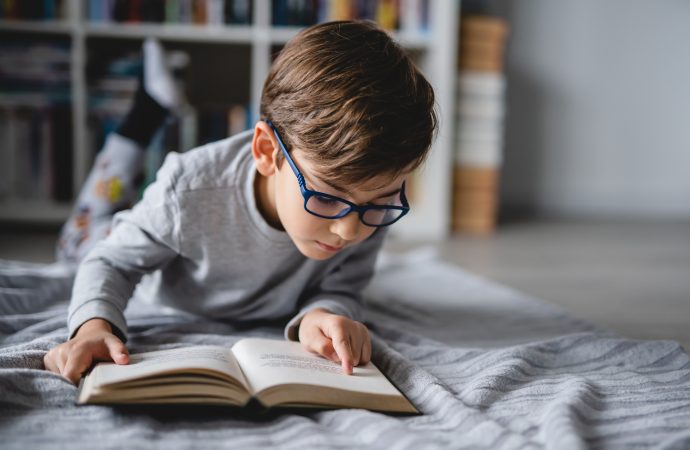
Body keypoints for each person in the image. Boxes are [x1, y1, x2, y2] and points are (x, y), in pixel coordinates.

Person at [43, 20, 437, 385]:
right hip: (122, 239)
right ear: (267, 151)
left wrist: (323, 314)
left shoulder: (366, 208)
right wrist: (94, 326)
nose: (350, 230)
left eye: (380, 203)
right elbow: (112, 261)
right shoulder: (189, 190)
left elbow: (343, 285)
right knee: (82, 234)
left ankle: (150, 109)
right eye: (328, 197)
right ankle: (143, 117)